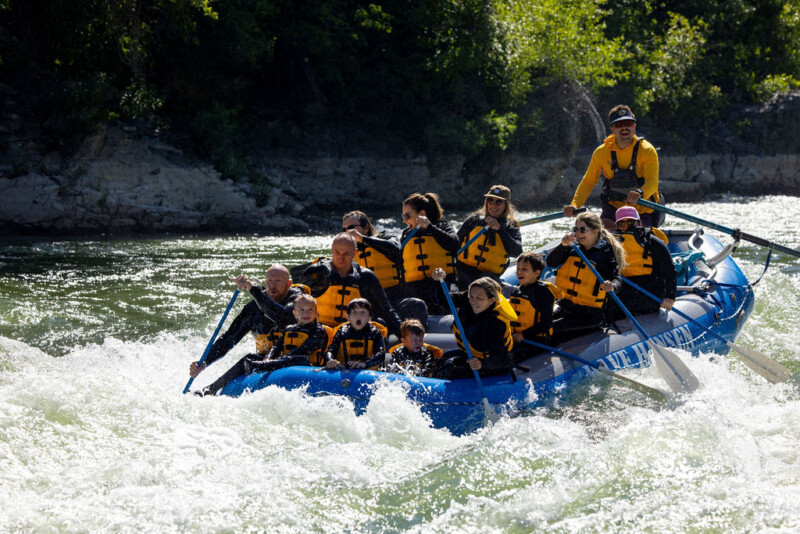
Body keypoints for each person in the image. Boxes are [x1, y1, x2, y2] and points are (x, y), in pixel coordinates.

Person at [195, 294, 329, 396]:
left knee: (300, 358)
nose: (306, 313)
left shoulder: (319, 331)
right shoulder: (289, 329)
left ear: (316, 313)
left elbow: (305, 349)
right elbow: (276, 347)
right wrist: (268, 358)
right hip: (280, 363)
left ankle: (264, 366)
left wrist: (274, 362)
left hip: (306, 366)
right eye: (302, 310)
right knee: (249, 357)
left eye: (310, 310)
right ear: (295, 313)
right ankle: (211, 388)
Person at [188, 264, 303, 383]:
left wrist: (253, 290)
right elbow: (229, 339)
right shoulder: (252, 309)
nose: (273, 286)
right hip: (266, 360)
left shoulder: (299, 301)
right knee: (248, 359)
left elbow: (281, 317)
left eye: (278, 281)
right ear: (265, 281)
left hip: (295, 359)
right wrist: (205, 362)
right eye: (269, 281)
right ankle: (209, 390)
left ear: (289, 284)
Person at [563, 105, 662, 231]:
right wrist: (574, 204)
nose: (624, 128)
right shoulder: (601, 152)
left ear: (634, 127)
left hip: (643, 209)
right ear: (612, 129)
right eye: (619, 125)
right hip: (614, 209)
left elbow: (652, 183)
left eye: (627, 123)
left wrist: (639, 193)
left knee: (635, 236)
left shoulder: (647, 150)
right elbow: (588, 182)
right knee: (602, 233)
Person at [299, 233, 405, 337]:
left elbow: (386, 311)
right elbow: (296, 302)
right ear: (331, 249)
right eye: (337, 252)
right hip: (320, 331)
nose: (341, 257)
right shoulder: (315, 272)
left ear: (355, 252)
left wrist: (404, 335)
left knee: (380, 323)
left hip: (352, 333)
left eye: (346, 254)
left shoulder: (366, 277)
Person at [546, 211, 626, 343]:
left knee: (550, 329)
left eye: (583, 230)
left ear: (595, 231)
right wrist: (562, 246)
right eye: (575, 230)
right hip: (566, 306)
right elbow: (551, 262)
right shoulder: (573, 248)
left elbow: (617, 279)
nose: (578, 234)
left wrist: (611, 286)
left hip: (589, 314)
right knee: (537, 323)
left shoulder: (605, 253)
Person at [431, 269, 514, 379]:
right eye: (471, 296)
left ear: (492, 300)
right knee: (437, 361)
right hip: (470, 355)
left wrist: (481, 364)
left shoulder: (496, 323)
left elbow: (503, 359)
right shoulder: (467, 299)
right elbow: (441, 299)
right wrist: (438, 281)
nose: (473, 302)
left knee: (448, 370)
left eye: (479, 298)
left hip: (491, 365)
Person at [608, 206, 677, 320]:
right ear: (617, 226)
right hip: (622, 293)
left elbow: (669, 271)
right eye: (621, 223)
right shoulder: (610, 244)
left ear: (639, 222)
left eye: (630, 222)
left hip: (648, 295)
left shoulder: (652, 242)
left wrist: (669, 297)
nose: (626, 226)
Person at [400, 192, 459, 313]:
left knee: (438, 295)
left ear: (422, 214)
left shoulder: (442, 227)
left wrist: (429, 227)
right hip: (415, 287)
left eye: (407, 216)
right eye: (403, 216)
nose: (404, 221)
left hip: (440, 282)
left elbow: (454, 245)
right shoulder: (406, 235)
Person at [456, 185, 523, 289]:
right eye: (490, 200)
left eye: (498, 202)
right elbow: (454, 243)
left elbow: (516, 252)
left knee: (484, 284)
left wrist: (500, 230)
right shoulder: (474, 220)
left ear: (506, 205)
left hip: (489, 277)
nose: (493, 205)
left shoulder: (511, 226)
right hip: (464, 271)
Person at [508, 252, 560, 364]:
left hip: (536, 341)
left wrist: (523, 335)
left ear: (536, 273)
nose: (519, 272)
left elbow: (546, 323)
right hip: (516, 338)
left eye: (524, 269)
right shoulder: (517, 290)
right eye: (518, 268)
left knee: (506, 357)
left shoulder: (543, 292)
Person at [342, 211, 404, 301]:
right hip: (365, 304)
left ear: (366, 228)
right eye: (344, 230)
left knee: (417, 304)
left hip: (393, 297)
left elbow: (395, 249)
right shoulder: (346, 253)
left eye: (351, 227)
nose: (348, 231)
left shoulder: (387, 238)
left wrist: (362, 239)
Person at [324, 298, 387, 370]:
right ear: (348, 317)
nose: (359, 316)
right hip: (344, 372)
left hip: (367, 373)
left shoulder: (375, 333)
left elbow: (381, 355)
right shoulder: (341, 333)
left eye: (363, 312)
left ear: (369, 317)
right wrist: (330, 360)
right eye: (354, 312)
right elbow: (330, 351)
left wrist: (364, 364)